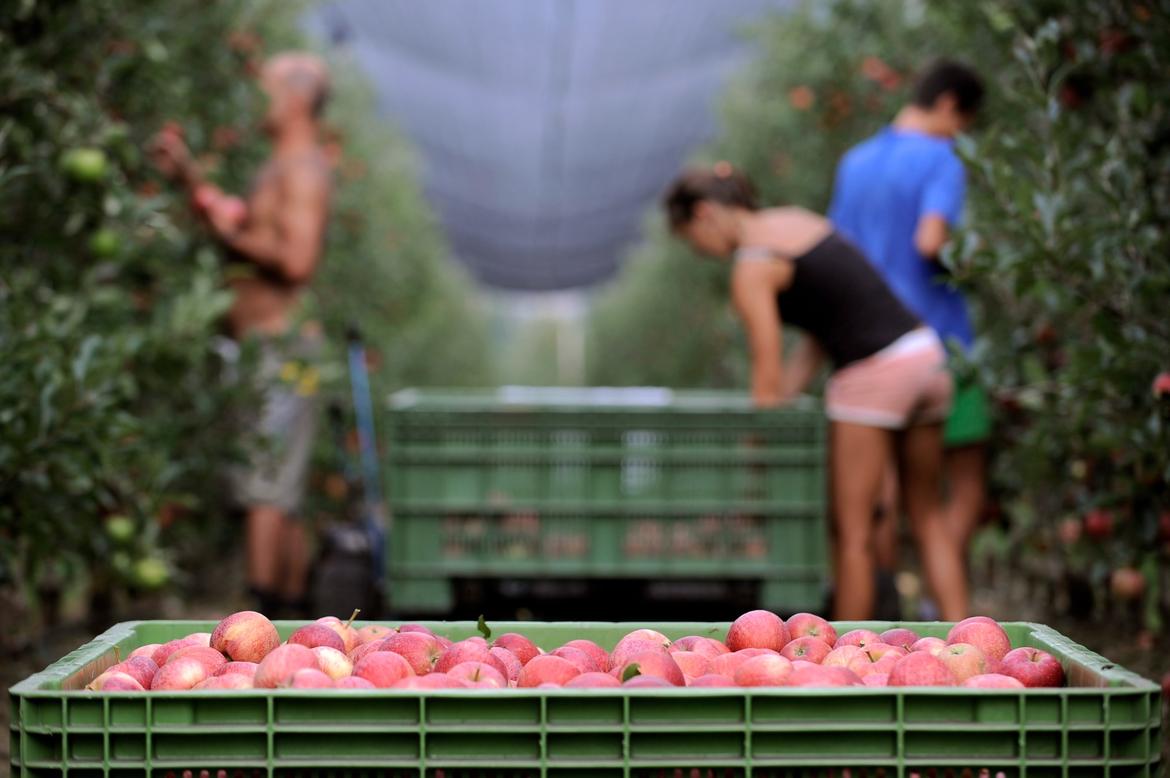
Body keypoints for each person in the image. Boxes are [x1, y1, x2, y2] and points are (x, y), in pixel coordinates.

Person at [662, 163, 968, 621]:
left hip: (874, 373)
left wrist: (754, 455)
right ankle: (972, 641)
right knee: (927, 516)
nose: (701, 251)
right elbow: (825, 326)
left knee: (852, 534)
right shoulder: (797, 222)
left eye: (692, 239)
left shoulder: (752, 266)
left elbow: (764, 376)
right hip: (927, 357)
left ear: (705, 214)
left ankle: (847, 660)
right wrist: (787, 393)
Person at [151, 53, 333, 616]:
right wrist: (193, 183)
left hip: (280, 344)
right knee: (278, 489)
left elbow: (297, 260)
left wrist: (233, 237)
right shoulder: (278, 166)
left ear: (297, 99)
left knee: (265, 488)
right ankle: (291, 618)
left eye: (268, 88)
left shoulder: (301, 168)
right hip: (268, 344)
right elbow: (249, 230)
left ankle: (258, 626)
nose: (259, 101)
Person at [828, 60, 988, 610]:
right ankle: (939, 610)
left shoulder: (856, 162)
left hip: (869, 346)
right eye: (964, 121)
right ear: (948, 105)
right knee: (959, 482)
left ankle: (888, 612)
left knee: (880, 496)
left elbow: (838, 251)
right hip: (940, 343)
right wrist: (978, 260)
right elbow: (930, 239)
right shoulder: (943, 158)